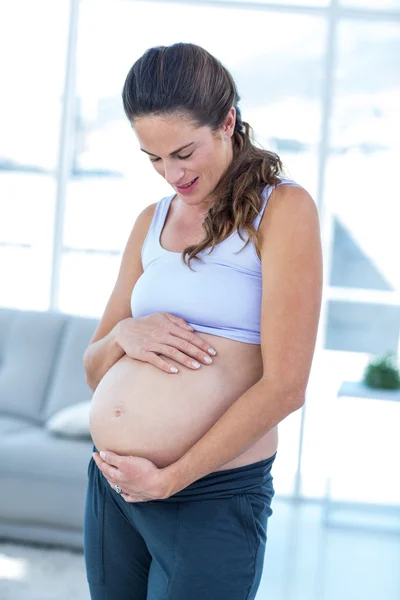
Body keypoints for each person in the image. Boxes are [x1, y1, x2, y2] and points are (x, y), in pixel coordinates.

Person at [82, 42, 322, 600]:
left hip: (210, 492)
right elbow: (94, 369)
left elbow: (286, 387)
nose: (171, 173)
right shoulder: (152, 220)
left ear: (227, 122)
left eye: (183, 152)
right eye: (154, 159)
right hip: (113, 485)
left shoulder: (282, 210)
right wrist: (124, 335)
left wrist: (168, 479)